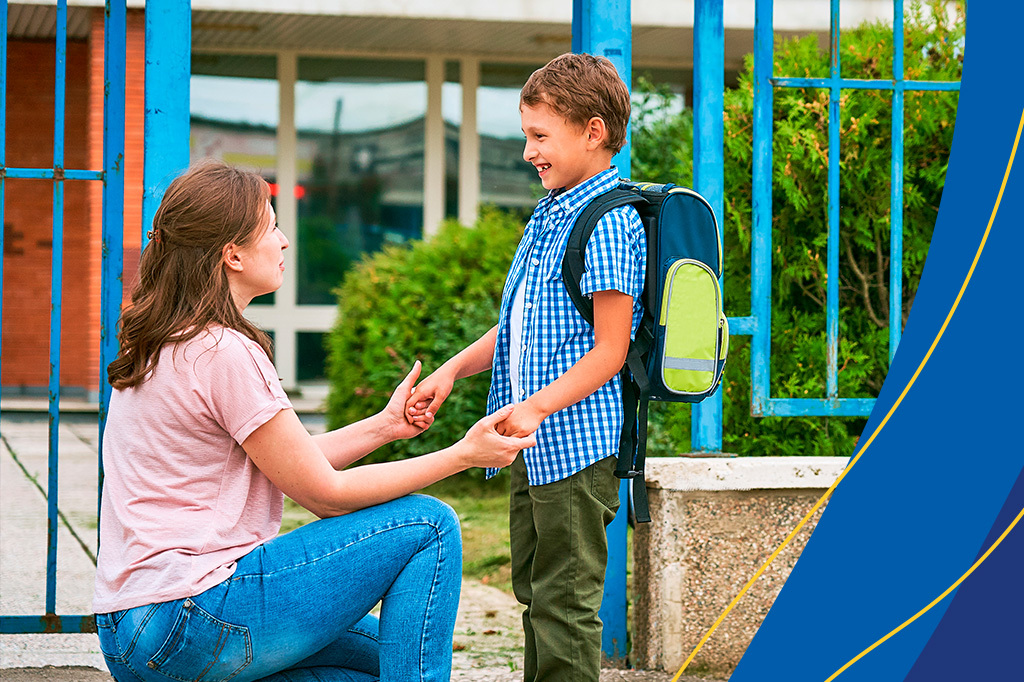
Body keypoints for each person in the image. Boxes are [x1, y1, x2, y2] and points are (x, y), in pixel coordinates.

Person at [93, 161, 535, 682]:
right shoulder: (223, 350)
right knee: (428, 526)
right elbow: (323, 494)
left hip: (133, 634)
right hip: (193, 613)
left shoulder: (166, 341)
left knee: (388, 661)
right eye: (272, 226)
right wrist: (462, 455)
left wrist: (385, 427)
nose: (283, 242)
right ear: (232, 254)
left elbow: (289, 461)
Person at [406, 53, 646, 681]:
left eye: (540, 136)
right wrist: (454, 370)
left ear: (593, 131)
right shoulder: (551, 213)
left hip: (574, 448)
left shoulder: (611, 221)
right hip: (527, 447)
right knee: (536, 597)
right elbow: (516, 329)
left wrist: (537, 406)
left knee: (565, 606)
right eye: (526, 137)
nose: (527, 153)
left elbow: (610, 351)